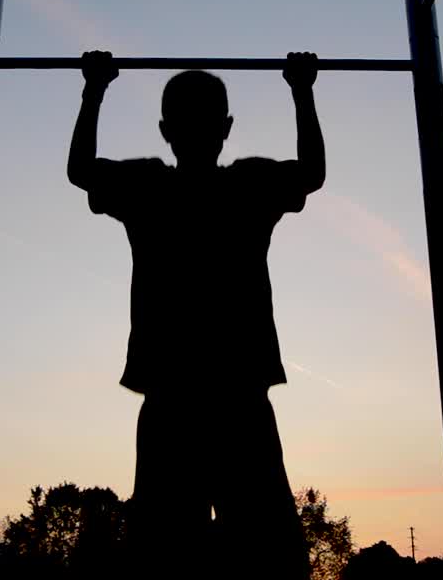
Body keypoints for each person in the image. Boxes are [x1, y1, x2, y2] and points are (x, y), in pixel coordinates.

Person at [67, 50, 325, 579]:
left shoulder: (151, 187)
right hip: (230, 391)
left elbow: (80, 170)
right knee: (259, 548)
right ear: (226, 128)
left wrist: (94, 89)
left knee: (168, 548)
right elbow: (313, 173)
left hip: (178, 392)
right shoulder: (245, 185)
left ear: (165, 130)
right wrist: (301, 89)